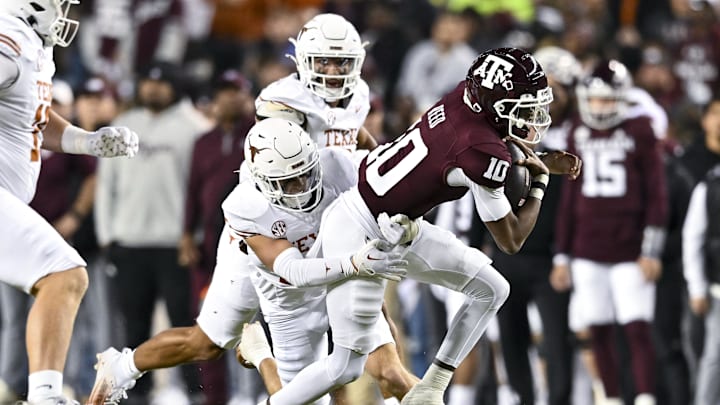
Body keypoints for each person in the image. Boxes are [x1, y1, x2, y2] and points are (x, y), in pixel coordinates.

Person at [239, 47, 581, 405]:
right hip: (360, 232)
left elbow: (468, 149)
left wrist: (532, 159)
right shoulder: (481, 149)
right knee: (345, 367)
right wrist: (539, 184)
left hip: (398, 225)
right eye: (521, 106)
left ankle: (431, 387)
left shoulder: (463, 101)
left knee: (492, 288)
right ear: (494, 103)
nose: (531, 115)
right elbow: (510, 239)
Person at [0, 1, 139, 404]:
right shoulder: (11, 42)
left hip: (10, 198)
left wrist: (87, 141)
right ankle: (44, 396)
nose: (64, 14)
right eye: (58, 4)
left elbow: (35, 118)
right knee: (64, 274)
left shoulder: (33, 46)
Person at [93, 60, 211, 405]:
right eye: (147, 82)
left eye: (160, 83)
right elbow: (106, 186)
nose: (153, 89)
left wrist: (198, 236)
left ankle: (195, 394)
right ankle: (136, 397)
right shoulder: (123, 124)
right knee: (133, 326)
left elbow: (203, 191)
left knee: (187, 326)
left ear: (175, 86)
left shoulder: (195, 128)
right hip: (129, 242)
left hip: (176, 245)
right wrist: (106, 235)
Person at [552, 59, 668, 405]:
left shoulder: (640, 129)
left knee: (637, 327)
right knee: (598, 327)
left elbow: (656, 193)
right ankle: (613, 398)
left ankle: (645, 398)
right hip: (588, 247)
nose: (601, 107)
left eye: (607, 99)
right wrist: (562, 254)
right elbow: (569, 201)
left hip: (631, 246)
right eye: (596, 99)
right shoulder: (577, 130)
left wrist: (651, 249)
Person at [255, 13, 378, 154]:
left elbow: (354, 132)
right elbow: (268, 158)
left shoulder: (359, 94)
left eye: (342, 61)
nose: (332, 72)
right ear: (303, 60)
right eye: (323, 61)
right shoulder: (285, 98)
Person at [683, 163, 720, 405]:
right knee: (715, 356)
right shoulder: (710, 186)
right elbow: (693, 238)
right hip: (718, 287)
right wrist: (697, 287)